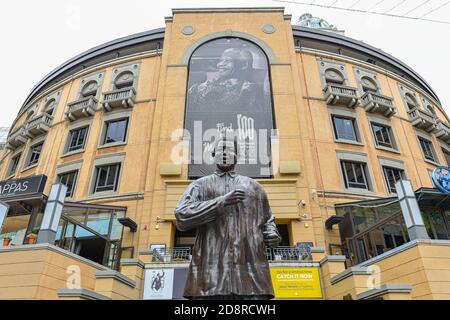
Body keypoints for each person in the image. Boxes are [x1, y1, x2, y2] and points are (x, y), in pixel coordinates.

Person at [175, 136, 281, 299]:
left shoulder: (255, 187)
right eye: (221, 149)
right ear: (213, 155)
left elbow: (268, 220)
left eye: (230, 149)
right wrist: (220, 202)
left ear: (237, 156)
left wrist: (272, 234)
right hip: (209, 277)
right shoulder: (200, 185)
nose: (225, 153)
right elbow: (182, 215)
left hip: (251, 277)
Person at [187, 47, 266, 112]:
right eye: (220, 61)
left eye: (227, 61)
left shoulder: (248, 89)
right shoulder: (211, 83)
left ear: (244, 65)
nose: (219, 64)